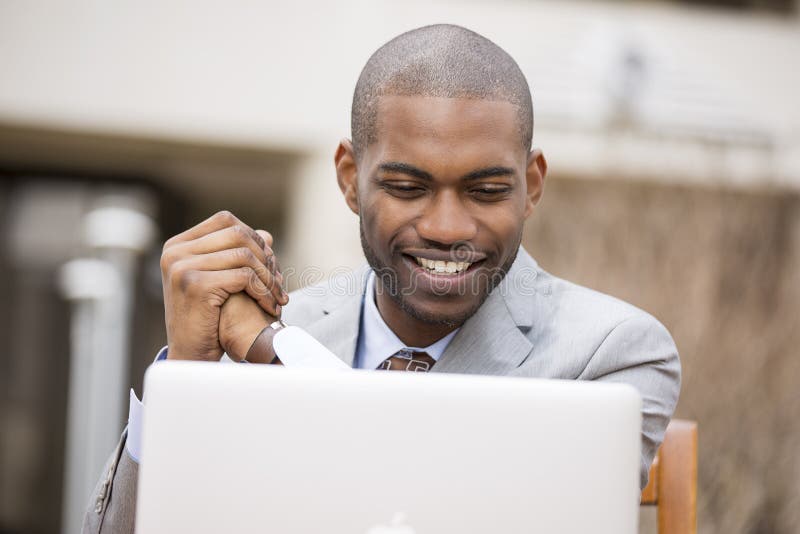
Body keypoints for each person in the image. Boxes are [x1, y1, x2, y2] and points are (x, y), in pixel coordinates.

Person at [82, 24, 680, 534]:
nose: (447, 228)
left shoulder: (615, 353)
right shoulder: (264, 330)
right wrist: (184, 377)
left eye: (487, 190)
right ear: (349, 179)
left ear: (533, 187)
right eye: (406, 188)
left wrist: (273, 353)